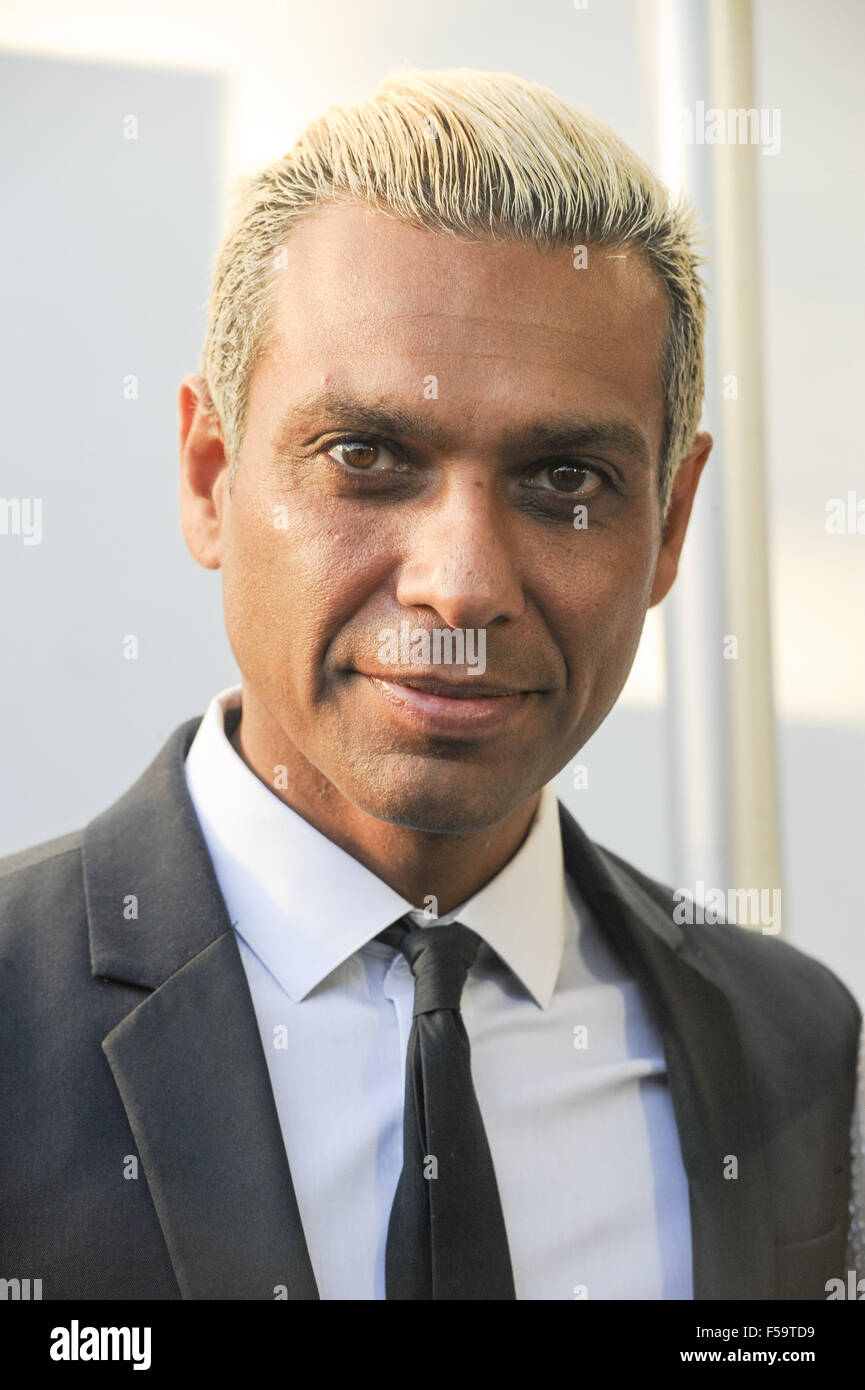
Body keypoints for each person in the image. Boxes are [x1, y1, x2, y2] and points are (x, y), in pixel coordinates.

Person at [0, 67, 859, 1302]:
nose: (460, 586)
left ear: (668, 526)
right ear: (208, 478)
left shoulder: (802, 1057)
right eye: (367, 455)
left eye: (563, 478)